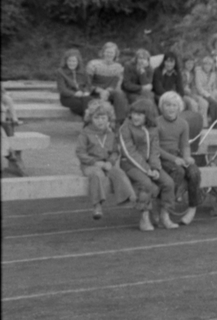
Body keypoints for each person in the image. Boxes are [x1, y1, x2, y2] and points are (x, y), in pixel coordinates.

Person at [119, 99, 177, 232]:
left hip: (150, 166)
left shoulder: (153, 128)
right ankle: (144, 217)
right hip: (129, 164)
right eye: (133, 113)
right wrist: (147, 170)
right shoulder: (125, 127)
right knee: (146, 184)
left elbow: (155, 150)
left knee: (168, 183)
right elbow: (129, 152)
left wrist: (155, 167)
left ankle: (164, 215)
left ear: (148, 116)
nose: (135, 117)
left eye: (139, 115)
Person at [75, 100, 136, 220]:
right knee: (97, 175)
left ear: (109, 119)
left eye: (103, 118)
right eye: (97, 118)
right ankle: (97, 205)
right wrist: (94, 162)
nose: (100, 121)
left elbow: (115, 151)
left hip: (106, 164)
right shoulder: (85, 133)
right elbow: (80, 153)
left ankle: (128, 197)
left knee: (118, 172)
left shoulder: (111, 134)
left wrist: (110, 162)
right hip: (90, 165)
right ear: (90, 118)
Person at [156, 91, 202, 225]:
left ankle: (192, 208)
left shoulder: (183, 123)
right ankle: (165, 210)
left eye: (174, 105)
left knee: (194, 172)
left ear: (179, 107)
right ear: (161, 106)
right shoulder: (156, 123)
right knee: (178, 171)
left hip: (177, 156)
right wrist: (173, 159)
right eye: (167, 105)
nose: (171, 108)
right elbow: (155, 147)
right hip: (161, 157)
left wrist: (187, 156)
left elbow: (185, 145)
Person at [86, 42, 130, 123]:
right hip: (94, 92)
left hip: (109, 92)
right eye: (107, 52)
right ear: (103, 52)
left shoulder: (118, 67)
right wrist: (99, 90)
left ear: (115, 54)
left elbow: (115, 84)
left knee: (119, 94)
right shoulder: (93, 64)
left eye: (111, 52)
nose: (109, 54)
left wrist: (106, 91)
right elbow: (87, 82)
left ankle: (120, 122)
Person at [58, 48, 93, 119]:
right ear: (65, 61)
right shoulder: (61, 71)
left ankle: (87, 119)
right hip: (68, 97)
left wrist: (85, 91)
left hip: (83, 95)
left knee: (90, 100)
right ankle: (88, 119)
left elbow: (88, 84)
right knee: (79, 104)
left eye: (74, 61)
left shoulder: (83, 71)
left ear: (78, 62)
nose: (71, 63)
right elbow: (62, 89)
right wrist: (74, 94)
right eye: (69, 61)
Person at [122, 48, 157, 120]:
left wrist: (142, 73)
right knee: (142, 99)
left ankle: (153, 119)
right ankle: (146, 118)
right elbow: (127, 84)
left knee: (149, 96)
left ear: (147, 60)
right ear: (136, 59)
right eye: (140, 58)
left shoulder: (150, 69)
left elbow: (147, 86)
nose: (142, 61)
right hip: (130, 91)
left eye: (144, 59)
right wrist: (141, 88)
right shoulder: (128, 66)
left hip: (143, 92)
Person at [194, 55, 217, 126]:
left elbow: (214, 87)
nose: (207, 66)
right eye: (205, 64)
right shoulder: (198, 72)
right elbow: (199, 87)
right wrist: (208, 95)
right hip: (201, 93)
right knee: (214, 103)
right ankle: (216, 124)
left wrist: (215, 93)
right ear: (203, 65)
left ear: (212, 65)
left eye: (209, 64)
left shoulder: (213, 74)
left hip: (210, 93)